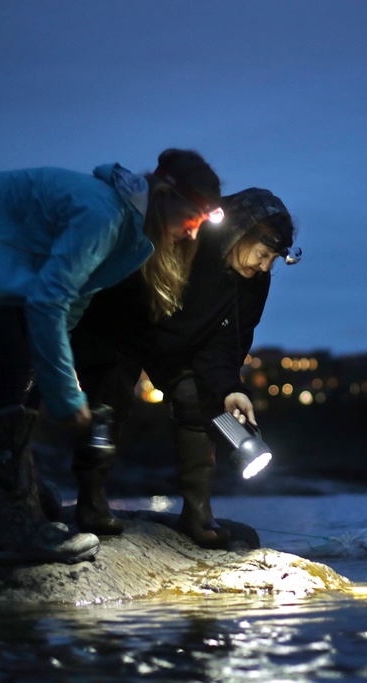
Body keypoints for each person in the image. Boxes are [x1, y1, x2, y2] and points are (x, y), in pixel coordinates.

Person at [0, 149, 223, 564]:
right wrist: (67, 395)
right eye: (194, 218)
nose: (194, 233)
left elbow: (73, 302)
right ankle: (9, 519)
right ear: (165, 195)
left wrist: (55, 370)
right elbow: (48, 301)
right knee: (9, 369)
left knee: (24, 370)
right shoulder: (102, 215)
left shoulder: (130, 233)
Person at [69, 188, 300, 548]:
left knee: (197, 397)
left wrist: (230, 389)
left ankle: (197, 512)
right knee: (109, 396)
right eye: (263, 254)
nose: (265, 266)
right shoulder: (186, 240)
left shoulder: (254, 283)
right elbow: (123, 294)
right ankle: (91, 502)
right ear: (241, 233)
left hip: (178, 347)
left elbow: (228, 344)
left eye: (273, 259)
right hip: (121, 327)